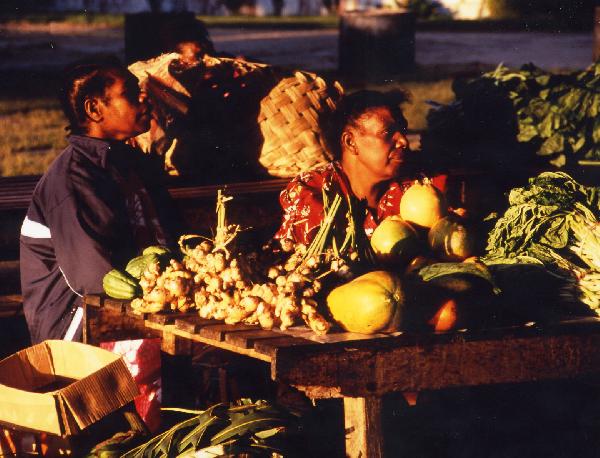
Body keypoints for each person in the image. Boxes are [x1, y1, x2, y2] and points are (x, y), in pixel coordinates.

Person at [20, 58, 182, 344]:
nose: (144, 97)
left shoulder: (126, 163)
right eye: (130, 93)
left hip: (126, 307)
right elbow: (96, 278)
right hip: (75, 326)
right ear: (95, 109)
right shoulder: (73, 180)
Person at [275, 89, 447, 246]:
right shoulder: (311, 193)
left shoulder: (418, 184)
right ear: (350, 142)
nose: (403, 141)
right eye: (387, 133)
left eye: (403, 130)